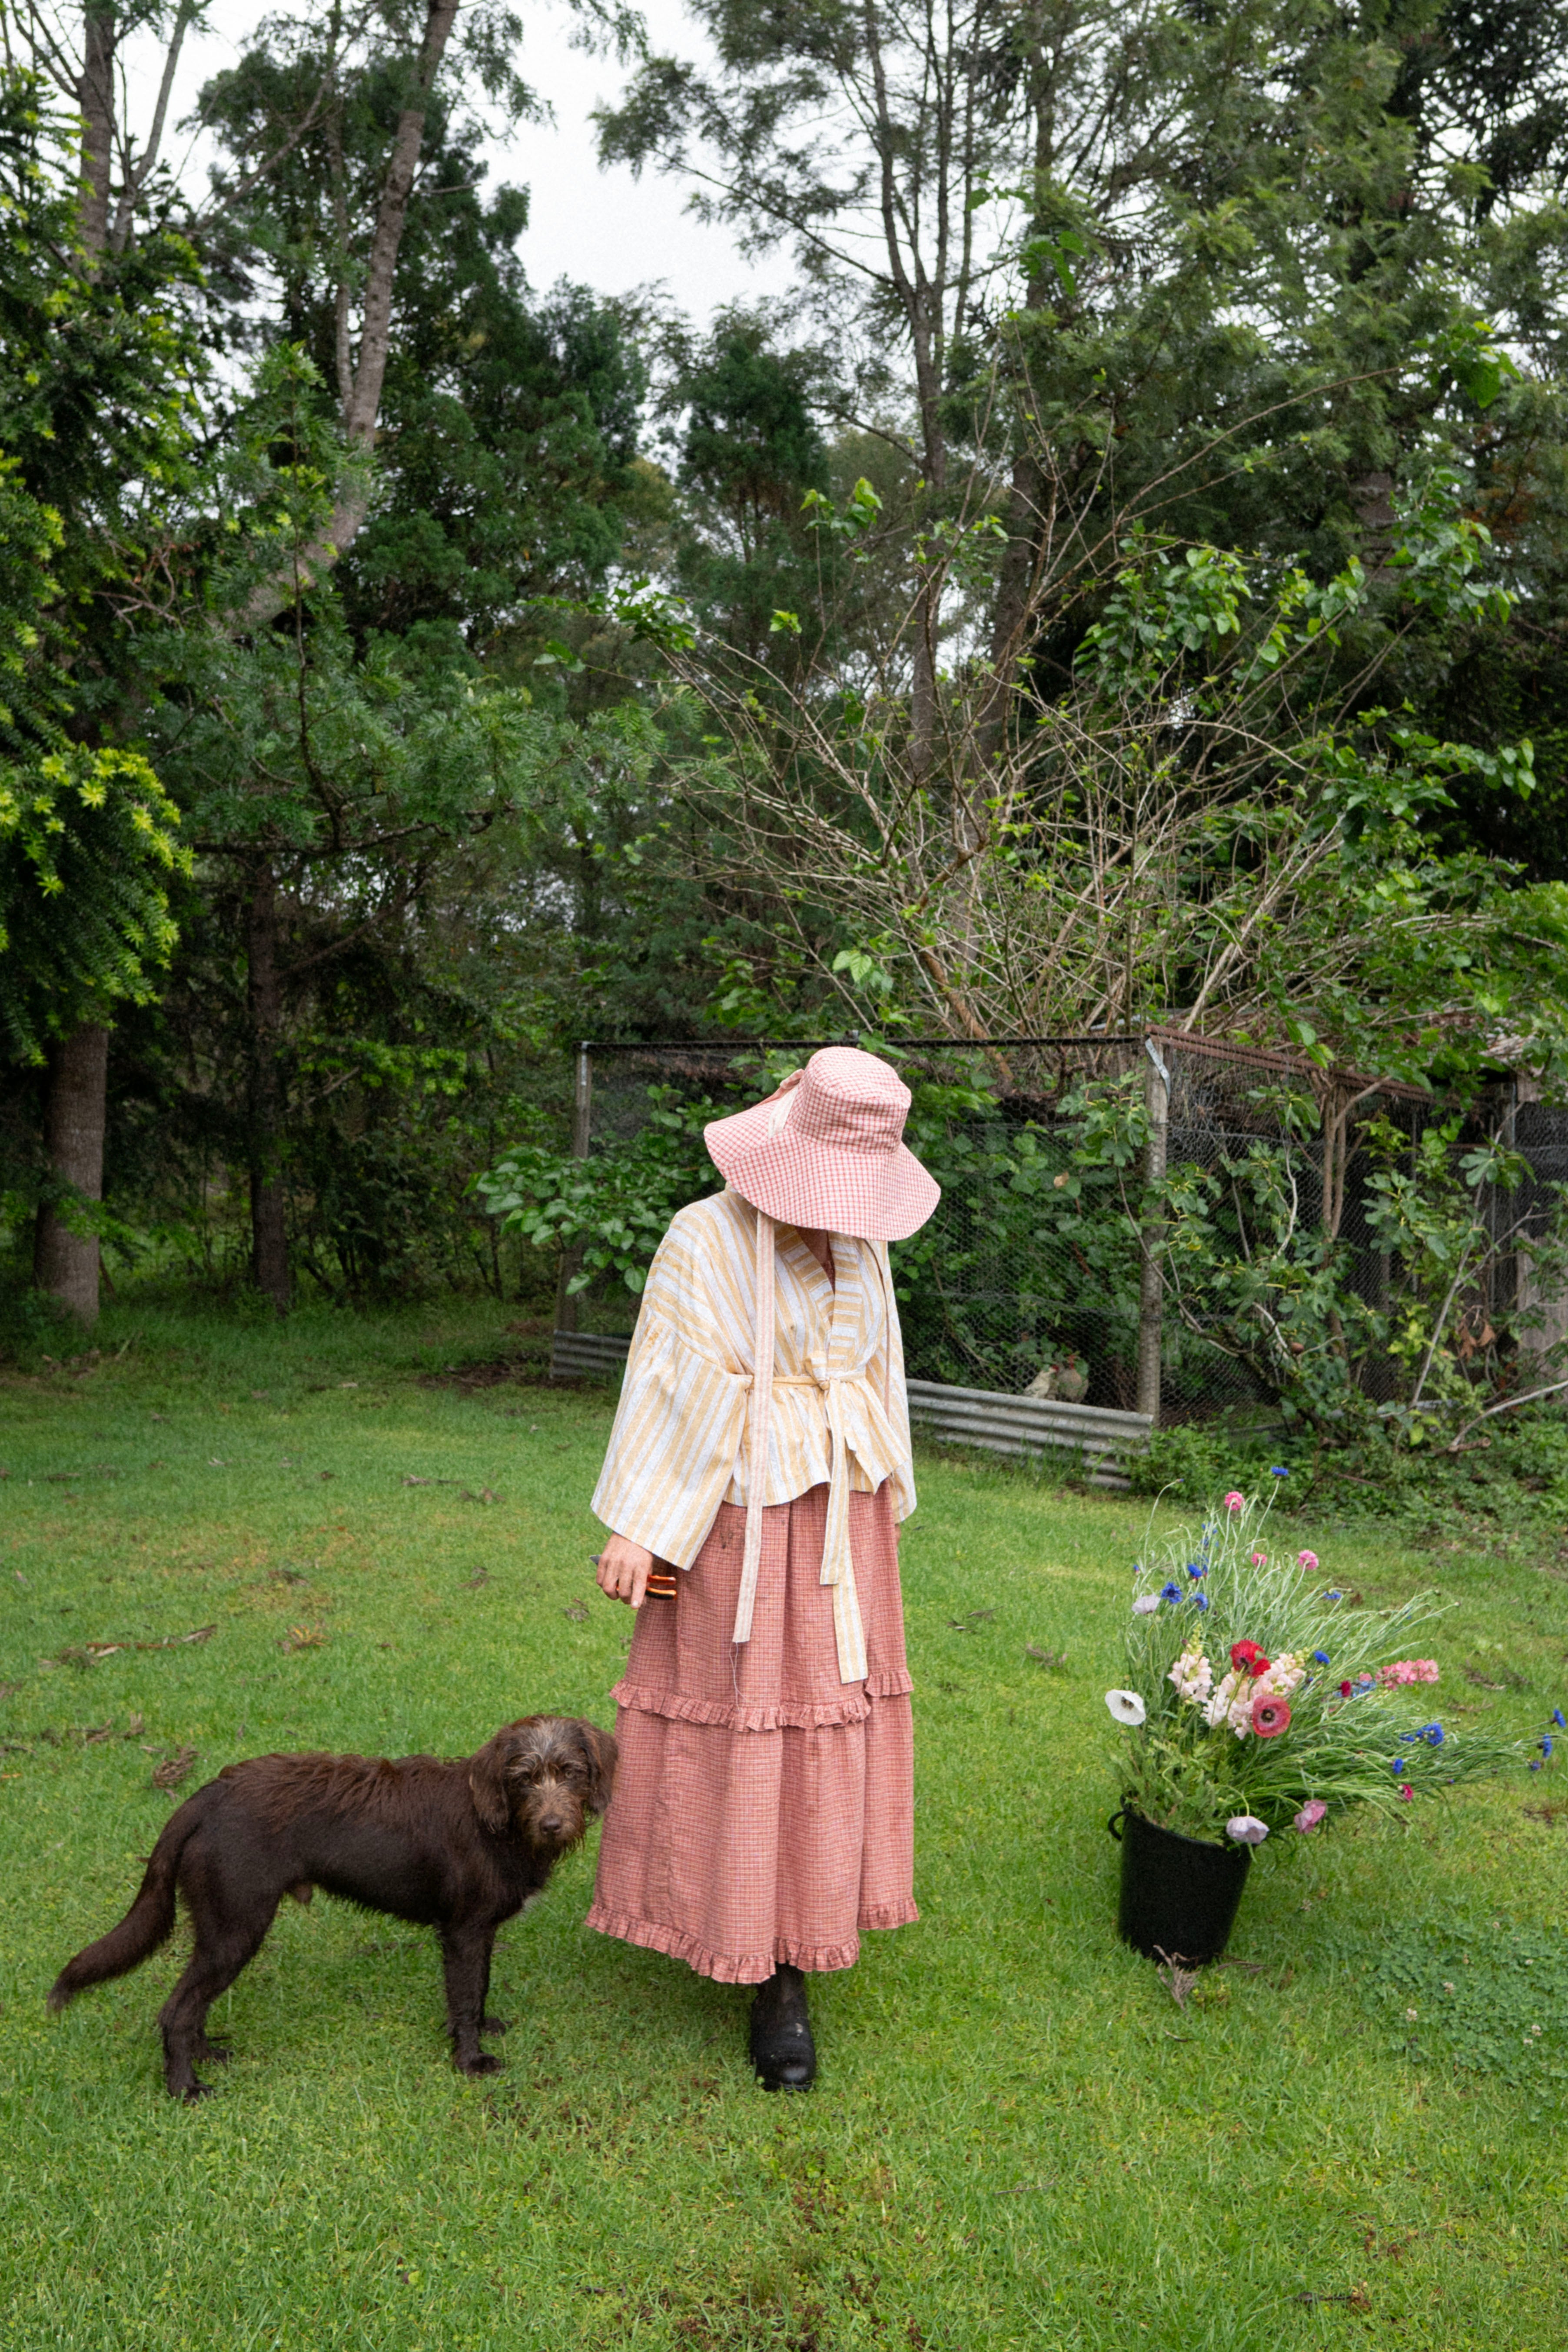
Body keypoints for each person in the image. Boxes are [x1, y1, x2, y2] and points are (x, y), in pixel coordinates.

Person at [587, 1046, 940, 2089]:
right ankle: (737, 1933)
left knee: (826, 1733)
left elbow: (881, 1375)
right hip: (738, 1520)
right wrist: (642, 1530)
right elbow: (669, 1385)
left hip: (842, 1518)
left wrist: (884, 1495)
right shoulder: (702, 1237)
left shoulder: (865, 1248)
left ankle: (794, 1957)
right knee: (740, 1722)